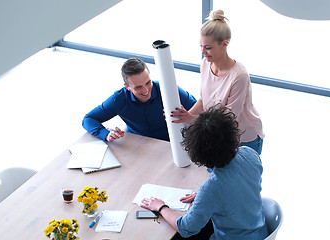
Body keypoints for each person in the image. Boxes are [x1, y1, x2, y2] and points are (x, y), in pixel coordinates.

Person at [141, 104, 268, 240]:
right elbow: (243, 186)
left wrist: (161, 207)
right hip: (260, 232)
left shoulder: (212, 188)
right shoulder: (251, 154)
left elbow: (185, 228)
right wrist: (209, 198)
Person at [170, 9, 265, 154]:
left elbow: (227, 119)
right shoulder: (205, 64)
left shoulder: (239, 76)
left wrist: (192, 119)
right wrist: (183, 117)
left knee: (243, 176)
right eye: (201, 46)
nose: (203, 52)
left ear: (224, 44)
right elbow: (203, 100)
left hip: (244, 137)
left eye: (208, 48)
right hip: (217, 131)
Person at [82, 58, 197, 142]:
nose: (146, 90)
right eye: (138, 87)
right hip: (139, 145)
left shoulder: (168, 89)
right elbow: (88, 119)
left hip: (172, 143)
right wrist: (106, 134)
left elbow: (200, 109)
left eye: (148, 83)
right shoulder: (118, 99)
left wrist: (188, 117)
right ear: (127, 87)